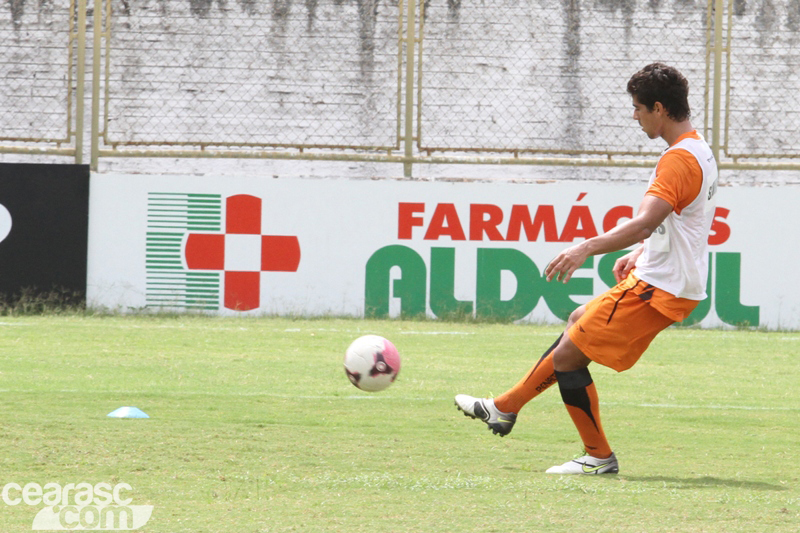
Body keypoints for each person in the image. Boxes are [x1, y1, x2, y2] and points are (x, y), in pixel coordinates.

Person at [454, 63, 719, 475]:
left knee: (567, 358)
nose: (635, 117)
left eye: (637, 108)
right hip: (664, 277)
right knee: (577, 322)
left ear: (659, 108)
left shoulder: (677, 161)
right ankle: (503, 408)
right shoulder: (699, 148)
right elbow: (681, 219)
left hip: (660, 287)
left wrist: (584, 248)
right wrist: (644, 251)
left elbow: (645, 221)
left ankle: (598, 457)